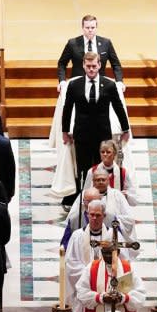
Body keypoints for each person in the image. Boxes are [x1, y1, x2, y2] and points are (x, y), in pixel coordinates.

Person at [61, 51, 130, 205]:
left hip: (102, 136)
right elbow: (67, 109)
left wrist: (126, 130)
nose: (91, 69)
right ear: (83, 66)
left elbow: (119, 107)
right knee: (84, 169)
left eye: (94, 66)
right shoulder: (74, 85)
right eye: (88, 66)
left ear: (99, 65)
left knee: (102, 169)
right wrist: (65, 131)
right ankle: (84, 198)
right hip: (82, 135)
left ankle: (103, 197)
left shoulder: (110, 85)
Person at [74, 244, 145, 312]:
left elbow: (140, 293)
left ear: (118, 252)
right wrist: (100, 297)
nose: (107, 256)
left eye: (110, 253)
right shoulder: (91, 268)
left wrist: (124, 298)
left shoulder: (128, 268)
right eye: (104, 252)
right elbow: (81, 292)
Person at [57, 14, 123, 91]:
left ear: (96, 28)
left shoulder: (106, 43)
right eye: (87, 27)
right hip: (78, 86)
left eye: (92, 27)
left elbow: (116, 64)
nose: (90, 30)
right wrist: (62, 81)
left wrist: (119, 81)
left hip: (100, 85)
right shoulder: (72, 43)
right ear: (82, 28)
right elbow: (62, 63)